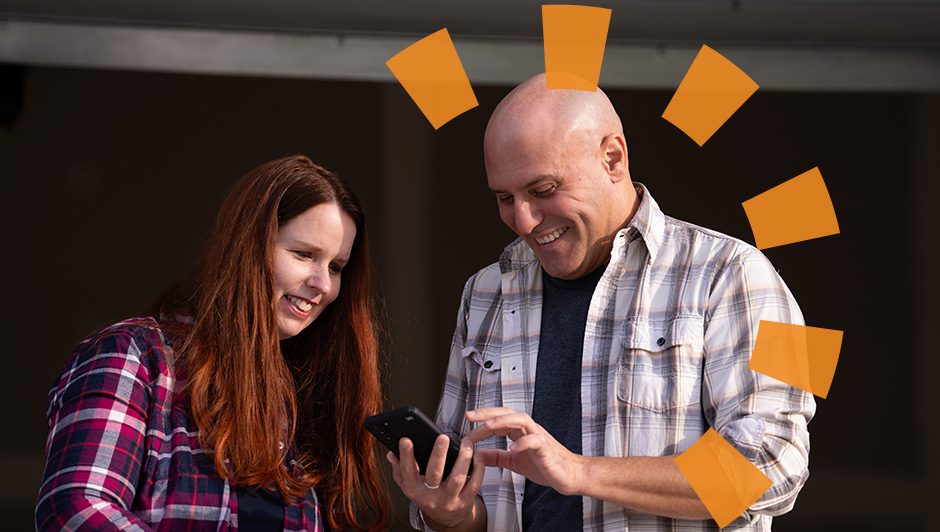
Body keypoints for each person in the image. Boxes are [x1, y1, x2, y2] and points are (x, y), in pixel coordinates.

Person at [388, 74, 815, 531]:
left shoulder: (732, 273)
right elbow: (473, 504)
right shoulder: (485, 292)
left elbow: (770, 466)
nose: (523, 220)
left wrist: (580, 472)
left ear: (613, 158)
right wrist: (449, 512)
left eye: (543, 190)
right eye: (504, 198)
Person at [36, 155, 390, 531]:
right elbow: (77, 509)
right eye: (304, 254)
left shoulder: (296, 392)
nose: (323, 284)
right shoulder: (133, 355)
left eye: (336, 267)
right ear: (247, 247)